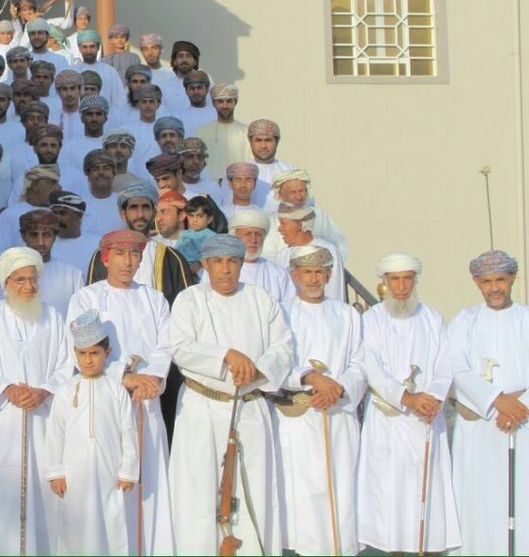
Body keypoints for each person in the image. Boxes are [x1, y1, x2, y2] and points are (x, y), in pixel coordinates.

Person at [168, 234, 294, 555]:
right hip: (201, 408)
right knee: (198, 493)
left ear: (241, 264)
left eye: (232, 262)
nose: (225, 269)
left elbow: (283, 347)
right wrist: (227, 356)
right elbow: (180, 348)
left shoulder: (261, 299)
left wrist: (258, 371)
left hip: (249, 407)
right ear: (205, 265)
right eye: (218, 262)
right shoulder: (189, 300)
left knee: (254, 490)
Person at [66, 230, 175, 554]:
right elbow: (81, 348)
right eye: (120, 254)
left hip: (146, 399)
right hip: (105, 398)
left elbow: (165, 345)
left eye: (134, 255)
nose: (128, 262)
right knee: (110, 480)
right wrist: (124, 377)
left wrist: (152, 378)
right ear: (105, 258)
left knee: (148, 479)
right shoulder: (86, 298)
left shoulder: (154, 298)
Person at [0, 247, 72, 555]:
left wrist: (44, 391)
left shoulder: (53, 317)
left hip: (42, 419)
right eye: (20, 280)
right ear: (6, 284)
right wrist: (8, 389)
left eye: (33, 279)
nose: (29, 286)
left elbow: (67, 364)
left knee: (44, 496)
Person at [357, 253, 461, 554]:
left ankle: (426, 545)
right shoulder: (371, 320)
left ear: (415, 281)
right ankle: (393, 547)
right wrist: (406, 397)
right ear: (385, 282)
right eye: (395, 279)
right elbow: (371, 366)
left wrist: (435, 396)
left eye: (407, 279)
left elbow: (445, 363)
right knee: (390, 489)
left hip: (426, 416)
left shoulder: (432, 318)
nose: (402, 286)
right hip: (388, 419)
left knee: (425, 487)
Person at [273, 245, 364, 557]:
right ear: (294, 275)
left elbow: (359, 361)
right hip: (299, 416)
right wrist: (311, 378)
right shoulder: (281, 313)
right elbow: (276, 363)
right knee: (303, 489)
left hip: (338, 413)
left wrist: (338, 388)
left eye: (319, 272)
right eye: (307, 272)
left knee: (340, 484)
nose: (313, 279)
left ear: (329, 275)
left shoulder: (347, 314)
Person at [447, 249, 529, 554]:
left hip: (523, 422)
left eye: (501, 280)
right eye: (487, 282)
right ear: (476, 283)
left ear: (513, 279)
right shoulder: (464, 321)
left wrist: (519, 407)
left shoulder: (526, 318)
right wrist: (496, 400)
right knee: (481, 497)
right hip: (480, 425)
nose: (495, 288)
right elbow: (455, 368)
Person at [45, 310, 140, 556]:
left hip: (109, 474)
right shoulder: (65, 390)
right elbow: (55, 434)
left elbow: (128, 432)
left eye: (95, 353)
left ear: (107, 353)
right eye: (83, 353)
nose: (88, 361)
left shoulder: (116, 390)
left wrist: (128, 471)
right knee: (74, 529)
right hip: (74, 476)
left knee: (111, 526)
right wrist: (56, 472)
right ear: (74, 353)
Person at [82, 181, 195, 308]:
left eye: (145, 207)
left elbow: (187, 308)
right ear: (123, 214)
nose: (140, 214)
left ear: (154, 213)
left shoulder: (172, 258)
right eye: (134, 207)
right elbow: (90, 302)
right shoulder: (104, 255)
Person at [19, 209, 84, 315]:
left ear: (54, 237)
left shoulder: (73, 275)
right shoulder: (10, 274)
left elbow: (83, 316)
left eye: (46, 235)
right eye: (34, 235)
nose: (40, 242)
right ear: (23, 236)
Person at [196, 84, 250, 180]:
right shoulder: (203, 131)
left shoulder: (245, 131)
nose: (225, 106)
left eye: (229, 101)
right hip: (212, 183)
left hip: (239, 183)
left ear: (235, 102)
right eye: (220, 101)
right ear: (213, 103)